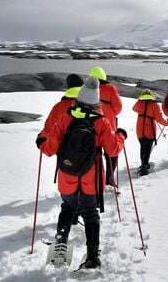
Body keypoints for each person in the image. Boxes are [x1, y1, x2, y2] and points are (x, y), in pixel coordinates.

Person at [36, 77, 127, 269]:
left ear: (78, 98)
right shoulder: (101, 122)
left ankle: (60, 245)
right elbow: (112, 150)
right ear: (96, 102)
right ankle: (93, 256)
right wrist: (121, 135)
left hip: (67, 174)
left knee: (67, 207)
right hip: (91, 178)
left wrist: (41, 142)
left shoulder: (65, 118)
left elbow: (49, 148)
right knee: (90, 213)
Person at [89, 67, 122, 189]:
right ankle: (109, 177)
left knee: (94, 152)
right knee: (112, 152)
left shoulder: (87, 89)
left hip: (91, 125)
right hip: (109, 125)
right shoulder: (110, 88)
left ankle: (95, 179)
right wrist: (109, 113)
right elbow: (118, 108)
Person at [132, 89, 168, 176]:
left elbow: (134, 109)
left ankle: (144, 164)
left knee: (143, 147)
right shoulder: (154, 105)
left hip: (140, 129)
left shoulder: (139, 103)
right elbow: (159, 118)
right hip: (150, 130)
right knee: (147, 149)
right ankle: (144, 167)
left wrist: (139, 99)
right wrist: (166, 123)